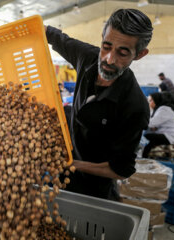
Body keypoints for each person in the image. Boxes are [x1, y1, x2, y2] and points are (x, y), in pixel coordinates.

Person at [45, 9, 153, 200]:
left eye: (122, 53)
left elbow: (121, 169)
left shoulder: (135, 107)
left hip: (93, 189)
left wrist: (72, 164)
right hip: (59, 173)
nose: (108, 60)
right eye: (106, 46)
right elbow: (54, 36)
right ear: (102, 38)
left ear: (140, 54)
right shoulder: (88, 57)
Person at [142, 92, 174, 158]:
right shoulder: (162, 109)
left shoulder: (164, 109)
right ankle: (145, 156)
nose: (149, 102)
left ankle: (144, 158)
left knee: (147, 137)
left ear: (157, 100)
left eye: (151, 100)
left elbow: (150, 123)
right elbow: (154, 123)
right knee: (149, 138)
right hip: (169, 135)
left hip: (170, 137)